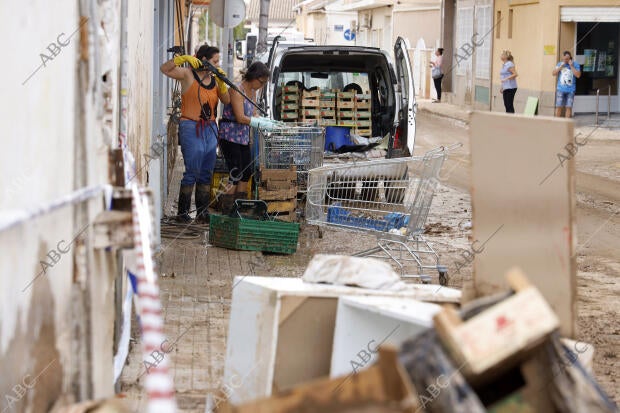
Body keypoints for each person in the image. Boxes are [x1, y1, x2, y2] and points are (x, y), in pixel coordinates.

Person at [160, 45, 230, 224]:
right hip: (190, 126)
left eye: (218, 62)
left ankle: (202, 212)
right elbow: (164, 69)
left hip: (210, 128)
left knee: (207, 170)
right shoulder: (187, 75)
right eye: (215, 61)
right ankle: (182, 213)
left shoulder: (214, 80)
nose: (217, 64)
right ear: (203, 59)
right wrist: (182, 59)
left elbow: (227, 100)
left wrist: (222, 82)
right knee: (192, 169)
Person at [218, 62, 279, 213]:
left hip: (243, 137)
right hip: (230, 136)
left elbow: (252, 113)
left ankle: (240, 206)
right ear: (253, 77)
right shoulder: (237, 90)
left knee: (247, 170)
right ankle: (226, 207)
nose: (262, 86)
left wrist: (264, 120)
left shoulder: (252, 92)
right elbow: (240, 117)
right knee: (235, 171)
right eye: (261, 82)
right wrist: (258, 123)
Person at [552, 50, 581, 118]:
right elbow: (553, 73)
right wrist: (560, 67)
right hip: (560, 89)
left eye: (567, 59)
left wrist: (571, 66)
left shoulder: (575, 64)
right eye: (564, 59)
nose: (565, 60)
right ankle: (557, 123)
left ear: (570, 58)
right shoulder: (560, 64)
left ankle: (566, 124)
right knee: (559, 106)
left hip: (571, 90)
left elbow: (578, 75)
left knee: (568, 107)